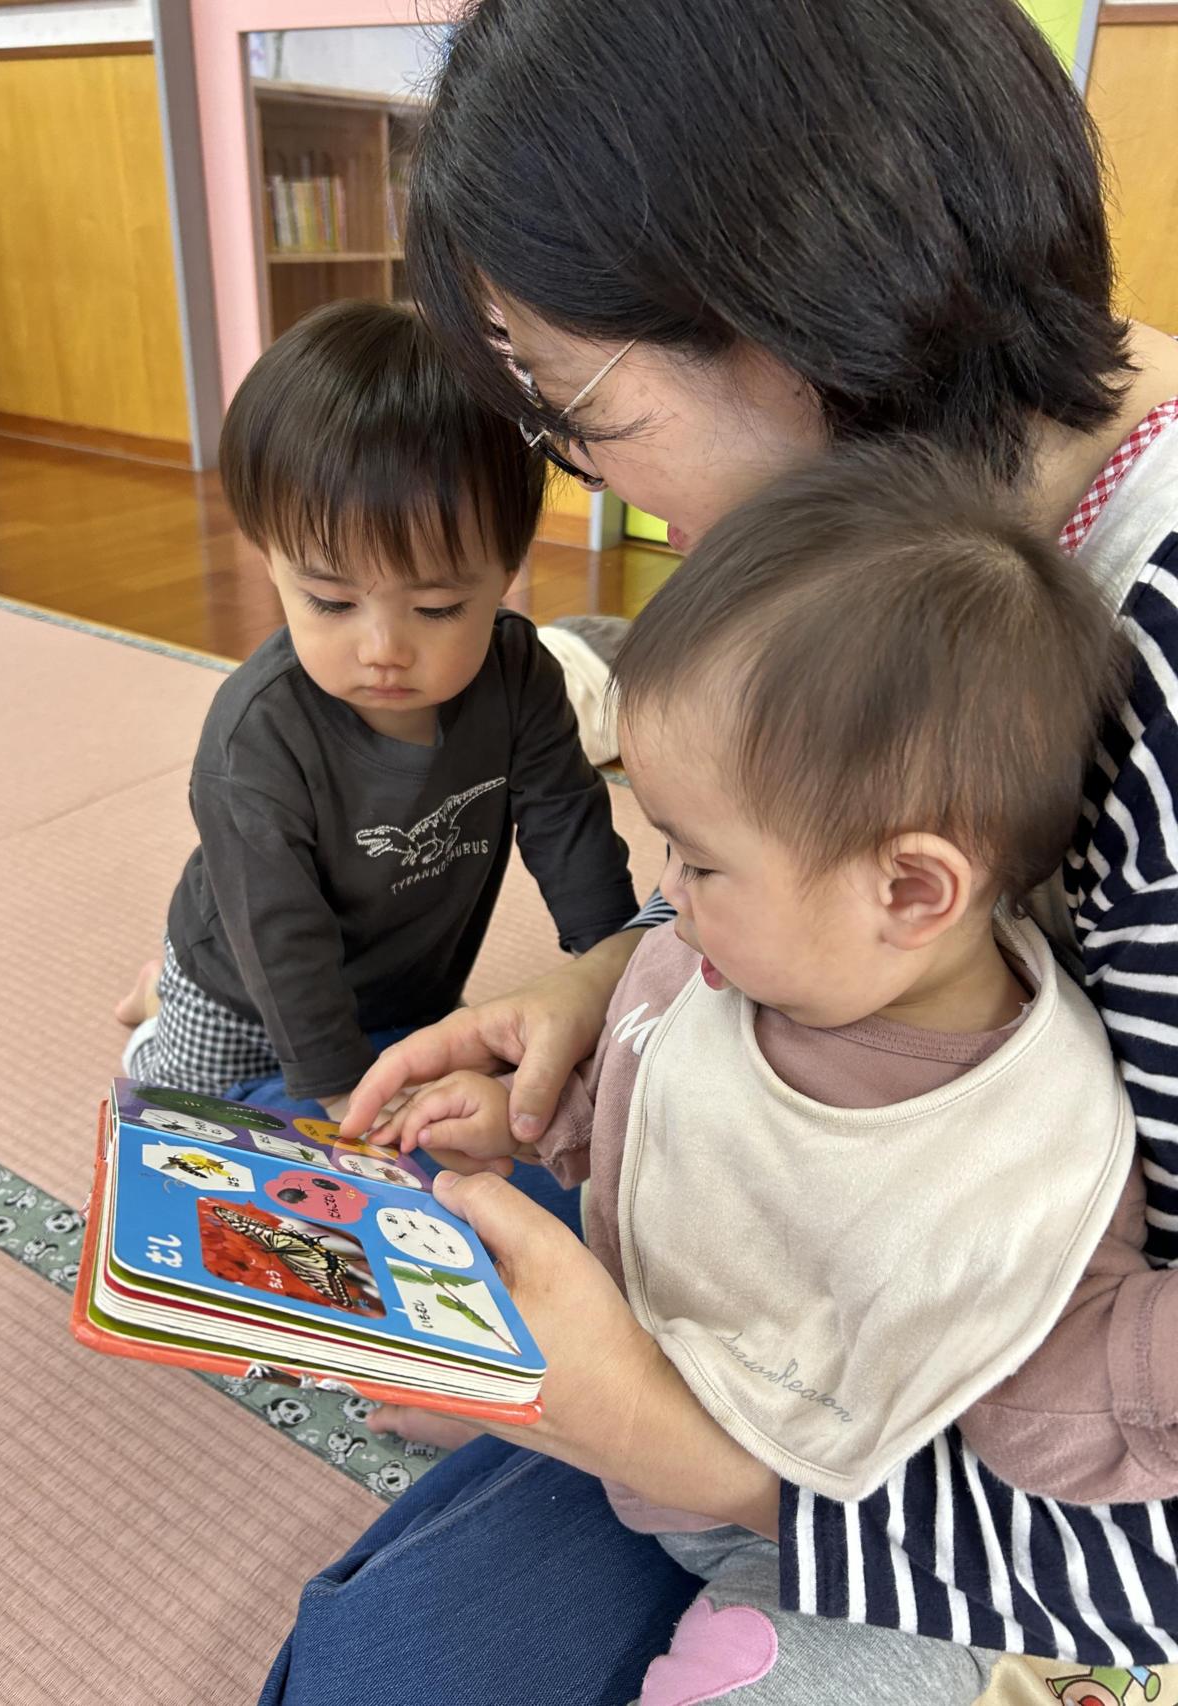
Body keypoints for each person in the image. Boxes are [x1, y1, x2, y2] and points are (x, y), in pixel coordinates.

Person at [262, 3, 1178, 1701]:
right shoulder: (891, 520)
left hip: (961, 1457)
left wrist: (699, 1457)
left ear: (785, 312)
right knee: (376, 1630)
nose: (591, 486)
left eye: (569, 405)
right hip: (797, 1267)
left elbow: (1136, 1479)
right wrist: (611, 981)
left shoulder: (1157, 679)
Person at [372, 447, 1157, 1699]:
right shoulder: (722, 967)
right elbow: (643, 1096)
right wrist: (530, 1114)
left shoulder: (1025, 1143)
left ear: (910, 888)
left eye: (695, 859)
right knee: (368, 1643)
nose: (664, 894)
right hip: (657, 1405)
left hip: (847, 1547)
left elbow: (1066, 1399)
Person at [114, 300, 638, 1113]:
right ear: (271, 562)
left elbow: (567, 821)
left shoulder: (517, 676)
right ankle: (160, 1005)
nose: (384, 648)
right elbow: (276, 931)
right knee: (185, 1109)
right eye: (330, 602)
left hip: (411, 982)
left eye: (436, 609)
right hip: (243, 990)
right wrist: (336, 1088)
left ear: (507, 573)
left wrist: (615, 965)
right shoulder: (255, 737)